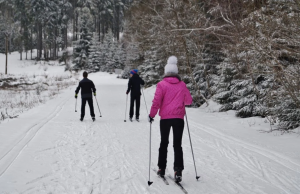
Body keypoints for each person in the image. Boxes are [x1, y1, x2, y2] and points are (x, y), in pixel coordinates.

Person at [148, 56, 193, 182]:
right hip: (178, 118)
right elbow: (189, 101)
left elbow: (156, 101)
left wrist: (151, 115)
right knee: (177, 144)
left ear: (166, 72)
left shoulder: (161, 84)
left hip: (165, 119)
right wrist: (181, 100)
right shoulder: (182, 84)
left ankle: (161, 168)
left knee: (164, 143)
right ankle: (178, 170)